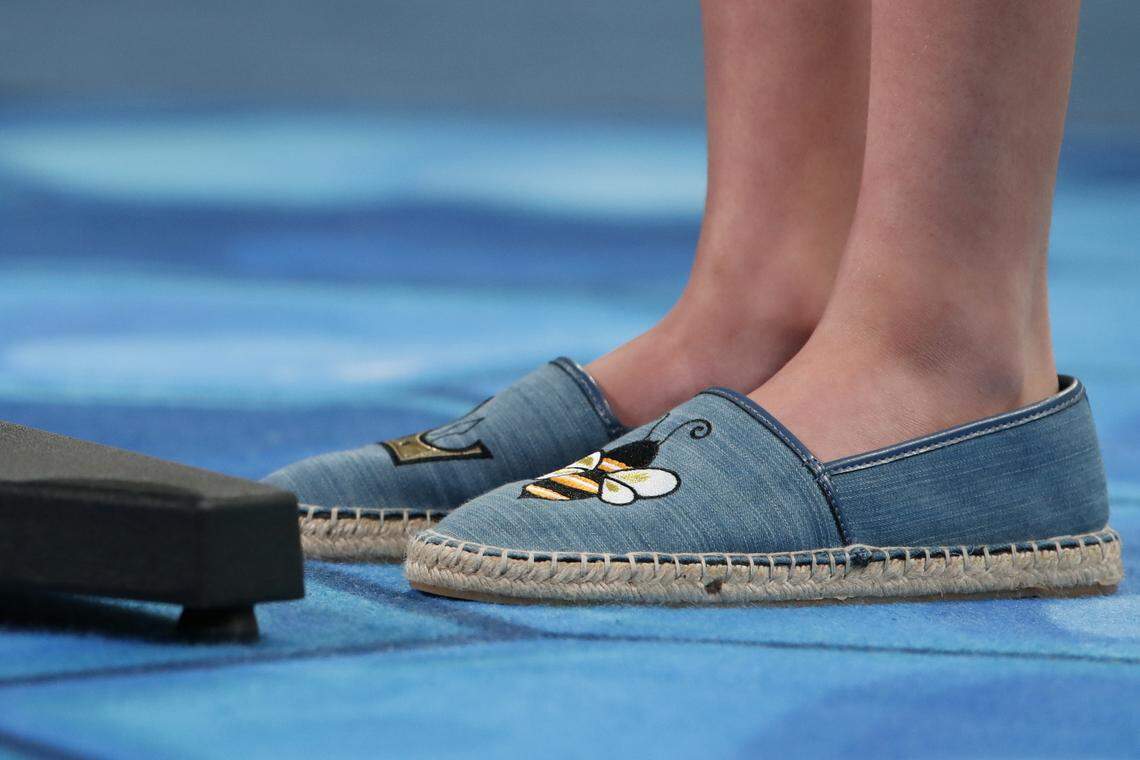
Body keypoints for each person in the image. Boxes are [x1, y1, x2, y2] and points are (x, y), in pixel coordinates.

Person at [272, 1, 1122, 604]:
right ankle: (772, 309)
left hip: (961, 380)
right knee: (771, 287)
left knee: (943, 313)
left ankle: (944, 345)